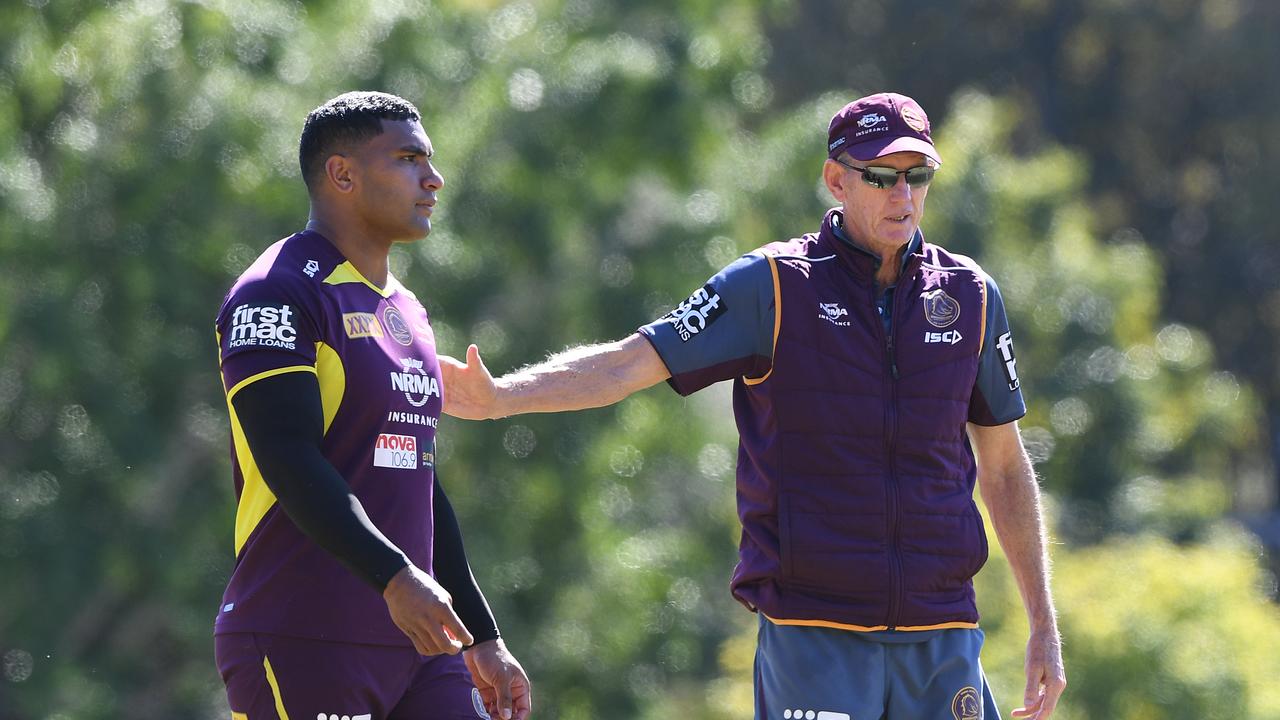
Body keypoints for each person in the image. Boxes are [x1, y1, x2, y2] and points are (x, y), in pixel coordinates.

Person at [441, 92, 1065, 719]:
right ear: (836, 180)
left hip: (942, 635)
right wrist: (500, 397)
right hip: (813, 637)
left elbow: (1007, 468)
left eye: (917, 176)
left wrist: (1043, 622)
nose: (902, 195)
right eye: (880, 176)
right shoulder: (771, 285)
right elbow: (631, 361)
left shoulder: (972, 296)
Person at [213, 91, 531, 720]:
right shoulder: (274, 292)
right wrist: (392, 575)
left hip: (420, 642)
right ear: (343, 174)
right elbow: (286, 455)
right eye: (409, 159)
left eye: (430, 160)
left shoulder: (405, 308)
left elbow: (417, 477)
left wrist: (483, 633)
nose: (433, 179)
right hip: (304, 635)